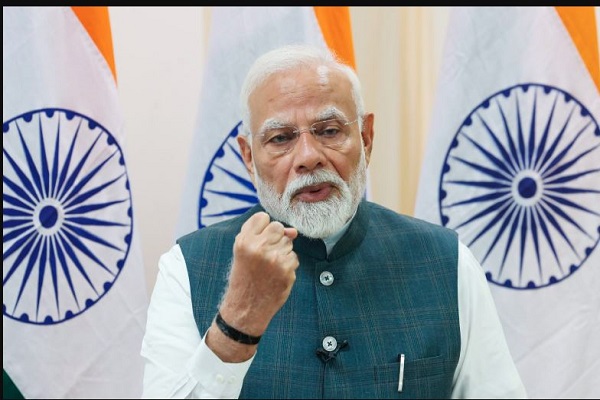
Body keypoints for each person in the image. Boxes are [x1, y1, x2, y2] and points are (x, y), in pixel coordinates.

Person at [141, 44, 527, 399]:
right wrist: (236, 325)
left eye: (328, 131)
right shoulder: (186, 268)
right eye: (280, 138)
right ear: (249, 158)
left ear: (366, 138)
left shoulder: (447, 261)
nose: (308, 157)